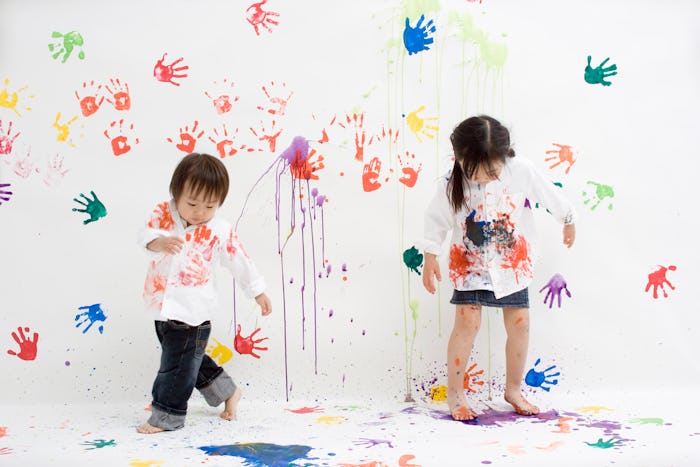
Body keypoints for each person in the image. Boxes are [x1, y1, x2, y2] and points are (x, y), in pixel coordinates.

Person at [420, 115, 576, 421]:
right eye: (473, 171)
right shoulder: (451, 183)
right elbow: (435, 219)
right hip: (470, 263)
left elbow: (549, 194)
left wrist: (568, 219)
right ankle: (455, 394)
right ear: (460, 158)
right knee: (467, 323)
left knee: (520, 324)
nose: (483, 178)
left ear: (505, 156)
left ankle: (513, 390)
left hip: (510, 265)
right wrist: (430, 256)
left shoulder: (522, 172)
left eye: (491, 171)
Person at [136, 152, 272, 434]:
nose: (200, 211)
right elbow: (145, 236)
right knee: (187, 360)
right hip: (161, 305)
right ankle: (228, 391)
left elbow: (240, 261)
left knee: (175, 366)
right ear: (176, 194)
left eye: (210, 205)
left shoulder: (219, 230)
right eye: (192, 203)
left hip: (193, 311)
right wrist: (159, 243)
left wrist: (257, 292)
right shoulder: (163, 213)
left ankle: (167, 415)